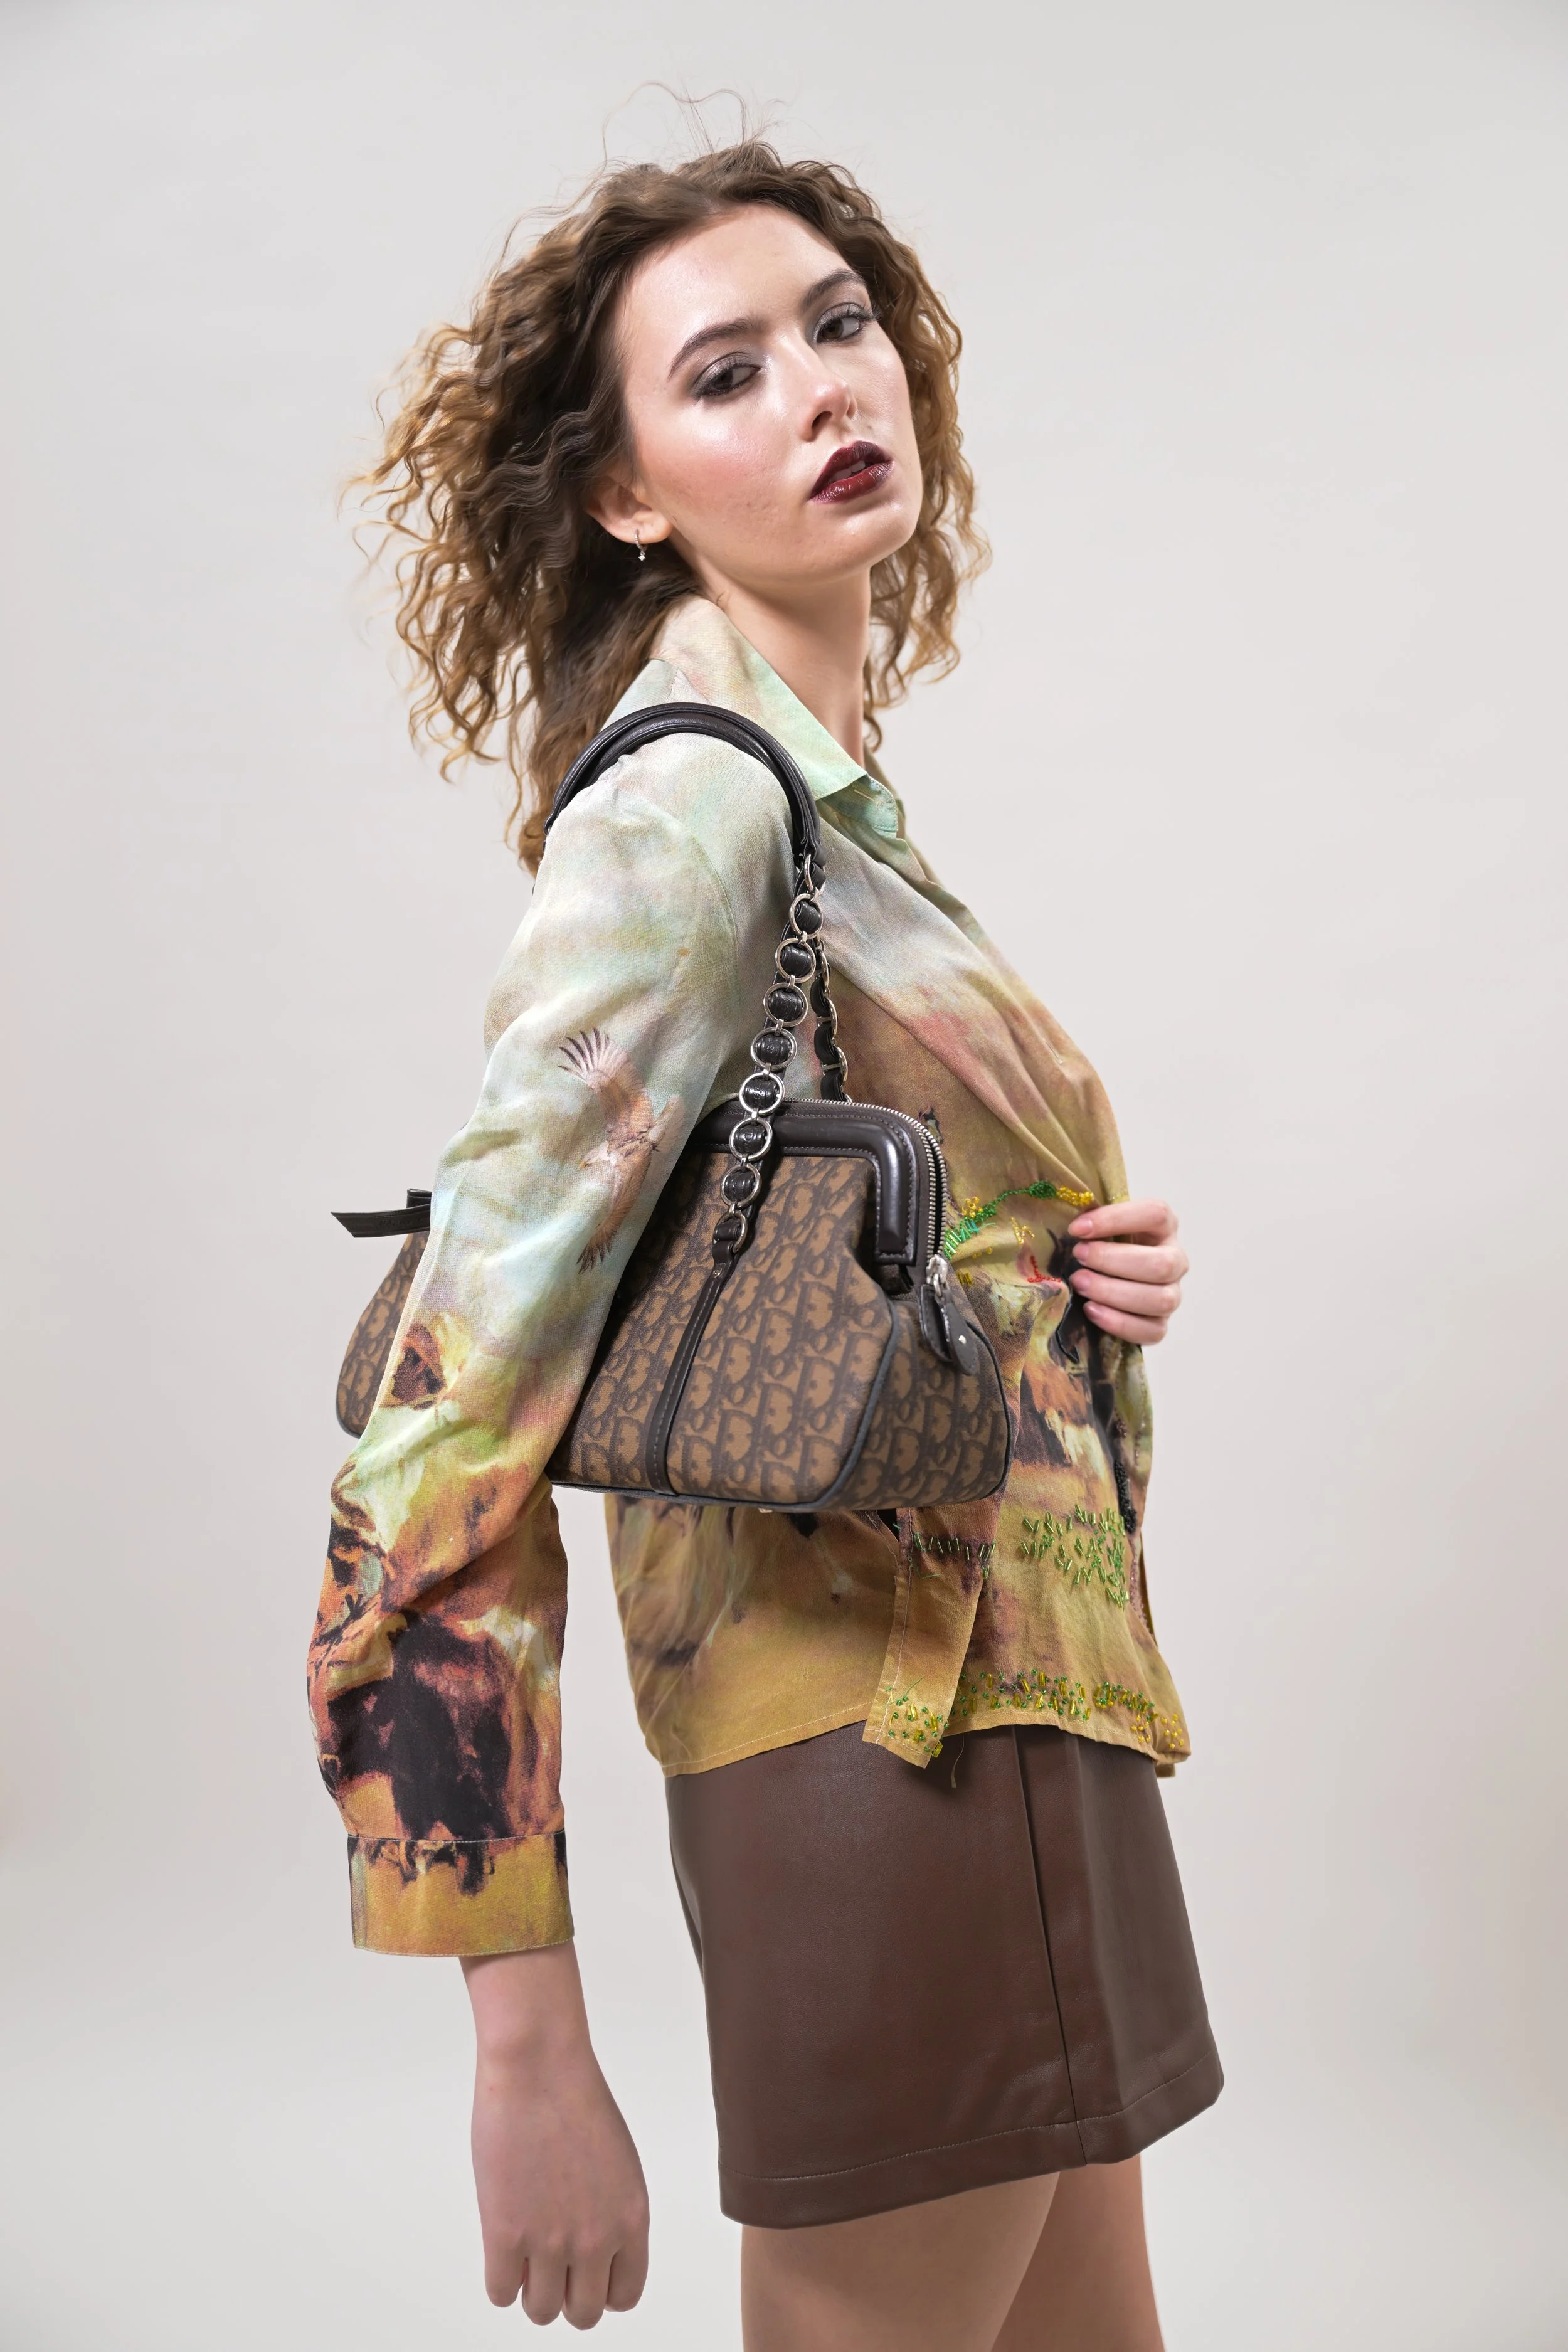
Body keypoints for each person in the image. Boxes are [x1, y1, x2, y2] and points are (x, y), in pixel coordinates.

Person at [309, 139, 1221, 2350]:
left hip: (1012, 1710)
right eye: (723, 372)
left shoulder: (820, 799)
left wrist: (1054, 1283)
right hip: (891, 1750)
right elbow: (435, 1442)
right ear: (627, 487)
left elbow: (796, 1276)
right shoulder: (692, 805)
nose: (825, 383)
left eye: (836, 321)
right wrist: (520, 2038)